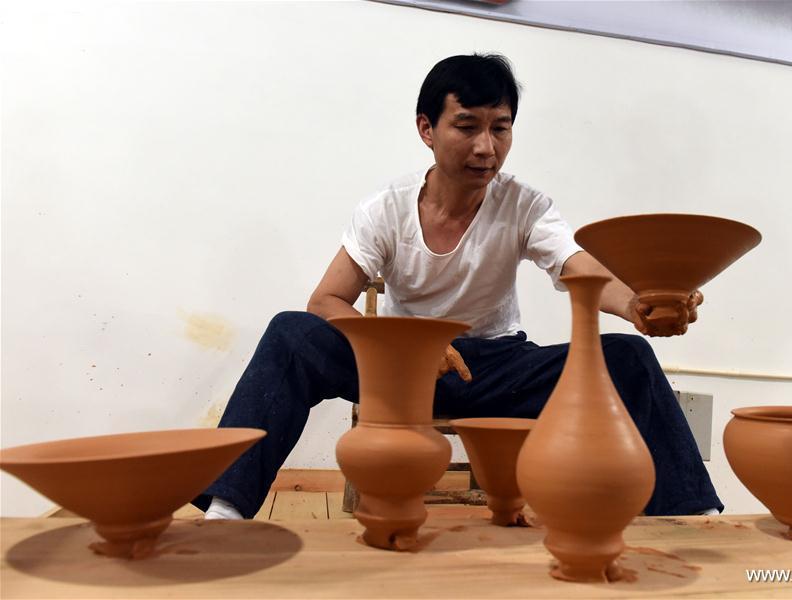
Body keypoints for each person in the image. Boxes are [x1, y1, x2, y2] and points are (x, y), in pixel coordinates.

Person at [194, 53, 723, 520]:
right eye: (467, 126)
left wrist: (636, 305)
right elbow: (325, 301)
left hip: (497, 369)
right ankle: (225, 506)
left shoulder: (524, 204)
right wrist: (405, 347)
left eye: (501, 128)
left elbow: (575, 267)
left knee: (628, 358)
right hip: (400, 370)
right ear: (427, 128)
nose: (486, 148)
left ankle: (690, 512)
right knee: (292, 333)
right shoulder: (385, 209)